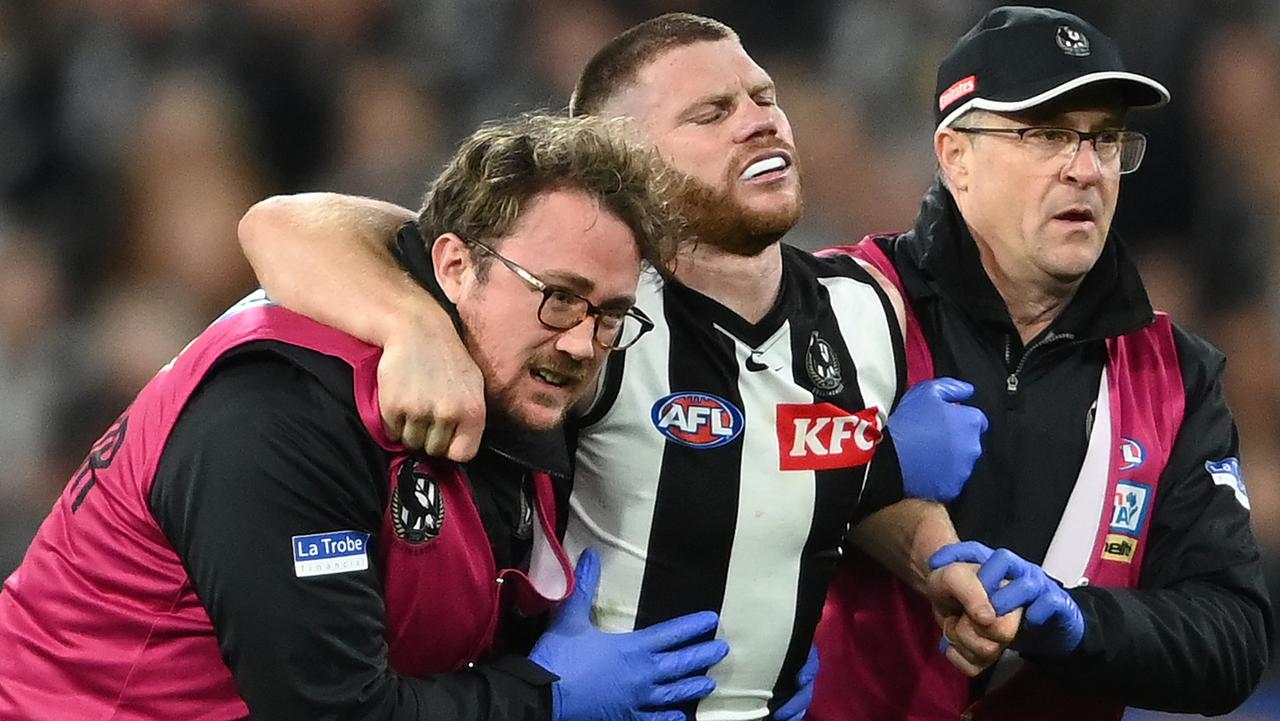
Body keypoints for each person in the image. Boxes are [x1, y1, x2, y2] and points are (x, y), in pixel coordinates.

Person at [233, 13, 1008, 721]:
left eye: (762, 95)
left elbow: (798, 481)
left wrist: (929, 549)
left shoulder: (865, 306)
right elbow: (285, 225)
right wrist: (415, 328)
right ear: (621, 161)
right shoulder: (584, 315)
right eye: (711, 114)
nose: (760, 119)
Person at [0, 113, 735, 721]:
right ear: (452, 265)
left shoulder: (511, 376)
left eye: (609, 313)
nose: (581, 340)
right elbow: (332, 712)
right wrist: (547, 700)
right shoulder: (277, 417)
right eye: (560, 295)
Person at [809, 6, 1273, 720]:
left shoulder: (1175, 376)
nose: (1086, 169)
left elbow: (1233, 638)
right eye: (1048, 134)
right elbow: (722, 489)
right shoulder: (840, 307)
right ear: (956, 155)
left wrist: (1082, 622)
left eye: (1106, 138)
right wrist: (872, 468)